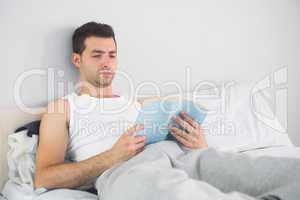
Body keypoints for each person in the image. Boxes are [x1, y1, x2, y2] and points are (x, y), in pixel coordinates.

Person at [34, 21, 208, 190]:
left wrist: (200, 147)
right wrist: (112, 157)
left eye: (112, 55)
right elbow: (43, 179)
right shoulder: (63, 109)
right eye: (97, 55)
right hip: (126, 176)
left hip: (175, 165)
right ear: (77, 60)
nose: (106, 63)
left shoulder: (139, 106)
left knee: (228, 167)